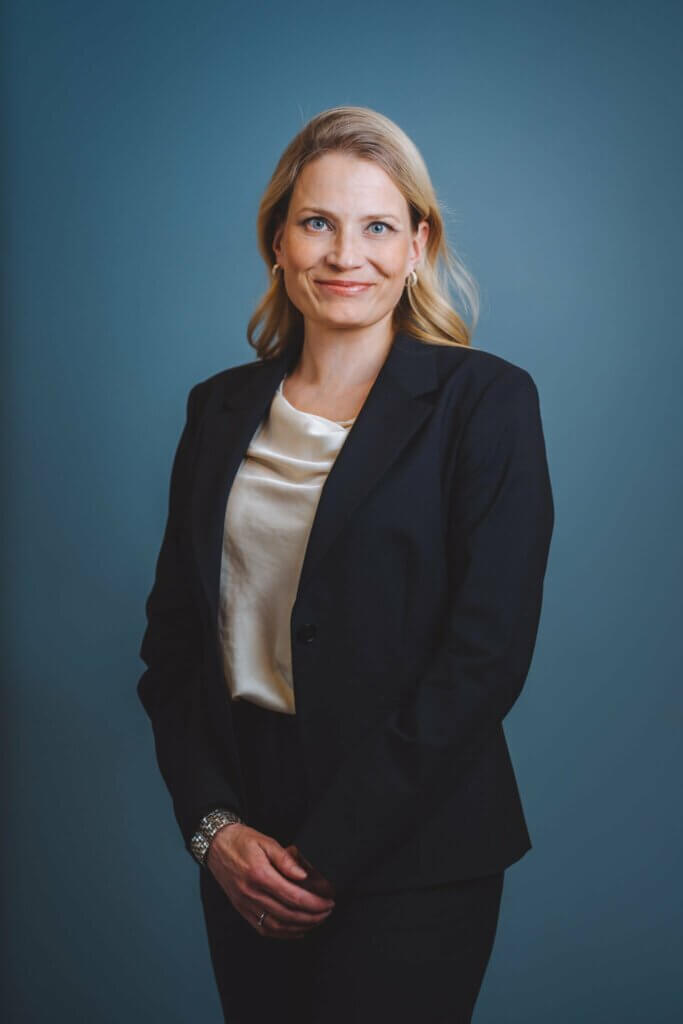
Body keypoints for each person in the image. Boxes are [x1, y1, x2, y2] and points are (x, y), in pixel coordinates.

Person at [137, 105, 554, 1024]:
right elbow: (172, 652)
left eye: (376, 226)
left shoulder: (483, 403)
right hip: (245, 844)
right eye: (317, 222)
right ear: (278, 241)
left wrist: (325, 850)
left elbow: (482, 659)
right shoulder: (216, 411)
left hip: (415, 850)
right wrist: (217, 834)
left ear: (417, 245)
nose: (343, 255)